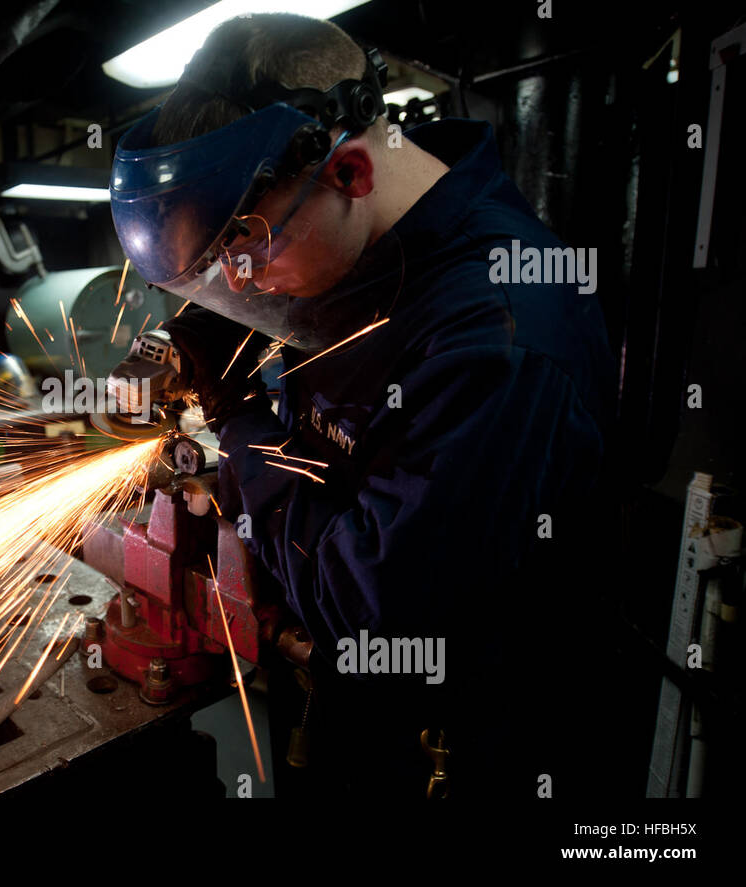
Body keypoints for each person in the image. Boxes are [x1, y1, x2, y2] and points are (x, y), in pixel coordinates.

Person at [109, 15, 621, 798]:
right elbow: (319, 449)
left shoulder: (504, 331)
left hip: (451, 759)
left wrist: (238, 413)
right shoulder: (355, 254)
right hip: (342, 711)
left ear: (350, 172)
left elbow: (371, 609)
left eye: (244, 254)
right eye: (220, 269)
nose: (239, 287)